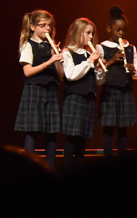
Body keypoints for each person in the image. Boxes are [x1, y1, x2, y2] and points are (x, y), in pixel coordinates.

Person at [14, 9, 64, 168]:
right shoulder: (28, 45)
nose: (47, 29)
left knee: (51, 133)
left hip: (50, 90)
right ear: (33, 27)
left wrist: (56, 57)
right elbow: (27, 72)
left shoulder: (50, 46)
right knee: (33, 131)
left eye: (49, 26)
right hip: (34, 90)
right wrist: (48, 62)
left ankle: (50, 168)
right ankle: (28, 169)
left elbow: (61, 75)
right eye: (43, 26)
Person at [61, 18, 106, 167]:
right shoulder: (68, 52)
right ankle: (66, 171)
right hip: (75, 98)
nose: (91, 37)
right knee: (73, 138)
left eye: (92, 34)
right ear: (78, 32)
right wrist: (89, 63)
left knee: (83, 139)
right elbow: (70, 75)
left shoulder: (89, 55)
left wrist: (100, 70)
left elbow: (99, 82)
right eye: (88, 33)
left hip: (88, 98)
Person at [98, 6, 137, 156]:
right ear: (108, 29)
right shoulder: (101, 47)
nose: (121, 33)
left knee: (124, 128)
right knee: (108, 128)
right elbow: (98, 69)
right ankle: (108, 158)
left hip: (125, 91)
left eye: (124, 30)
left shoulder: (131, 48)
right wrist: (112, 60)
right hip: (110, 91)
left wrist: (132, 70)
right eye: (118, 30)